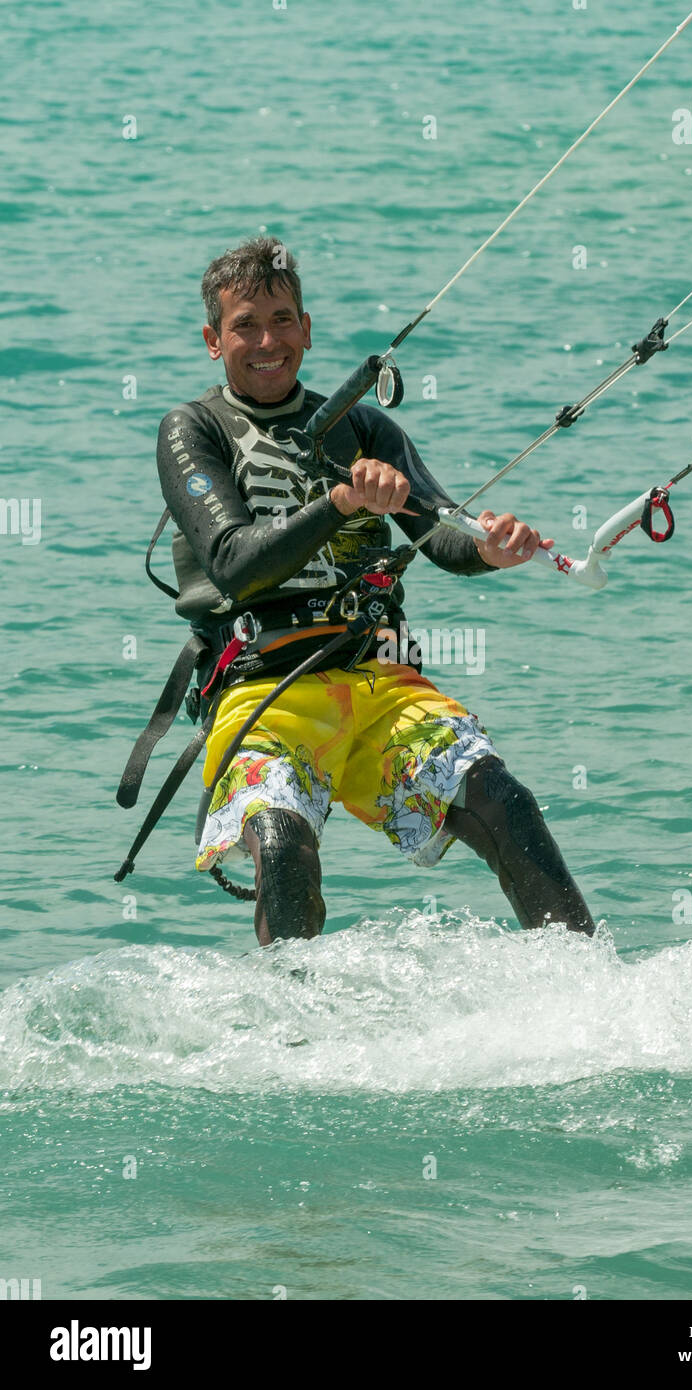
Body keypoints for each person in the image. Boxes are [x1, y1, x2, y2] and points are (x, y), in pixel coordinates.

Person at [155, 235, 595, 944]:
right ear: (214, 339)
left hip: (375, 681)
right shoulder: (192, 429)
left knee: (501, 798)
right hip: (260, 692)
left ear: (307, 328)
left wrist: (488, 548)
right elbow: (233, 563)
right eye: (246, 325)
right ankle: (296, 1016)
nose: (268, 340)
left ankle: (590, 982)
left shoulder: (365, 427)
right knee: (280, 843)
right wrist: (341, 504)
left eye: (284, 320)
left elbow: (441, 537)